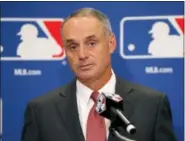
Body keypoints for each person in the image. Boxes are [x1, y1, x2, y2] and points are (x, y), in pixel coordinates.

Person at [21, 8, 177, 141]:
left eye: (91, 43)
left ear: (111, 43)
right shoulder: (41, 111)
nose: (82, 55)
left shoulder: (152, 105)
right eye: (73, 46)